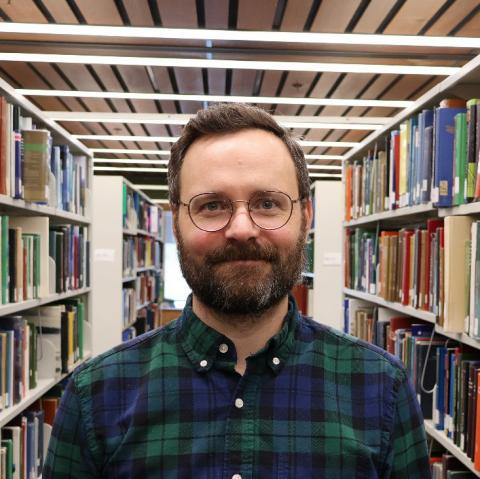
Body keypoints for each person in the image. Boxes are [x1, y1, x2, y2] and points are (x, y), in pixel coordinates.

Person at [43, 103, 431, 478]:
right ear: (175, 220)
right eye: (211, 205)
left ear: (305, 218)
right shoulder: (96, 394)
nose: (242, 229)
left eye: (267, 203)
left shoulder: (382, 388)